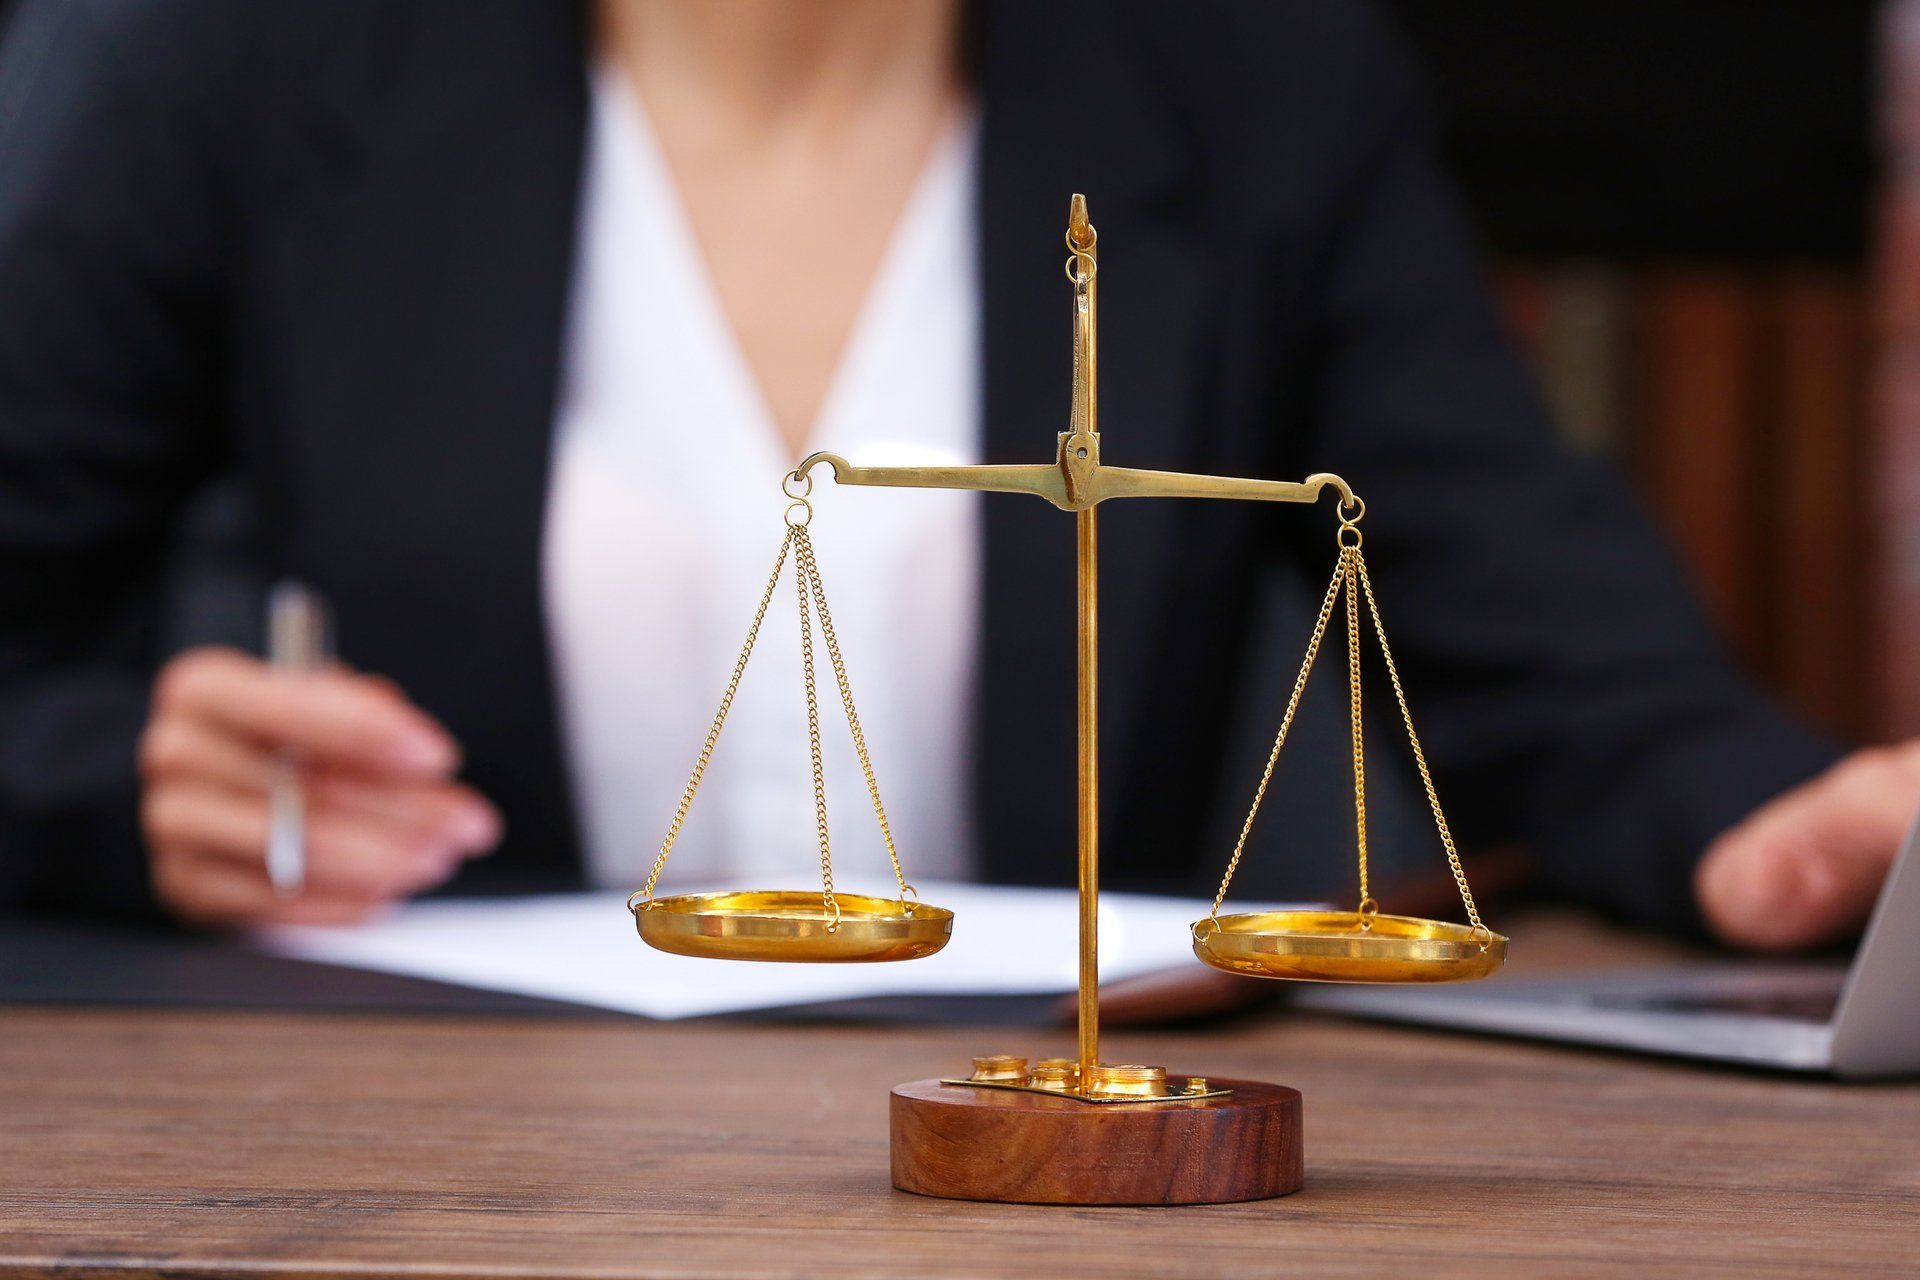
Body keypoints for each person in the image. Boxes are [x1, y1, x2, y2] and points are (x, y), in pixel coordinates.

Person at [0, 0, 1911, 952]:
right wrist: (132, 792)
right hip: (404, 1173)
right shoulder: (257, 69)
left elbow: (1561, 648)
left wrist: (1790, 828)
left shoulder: (1252, 81)